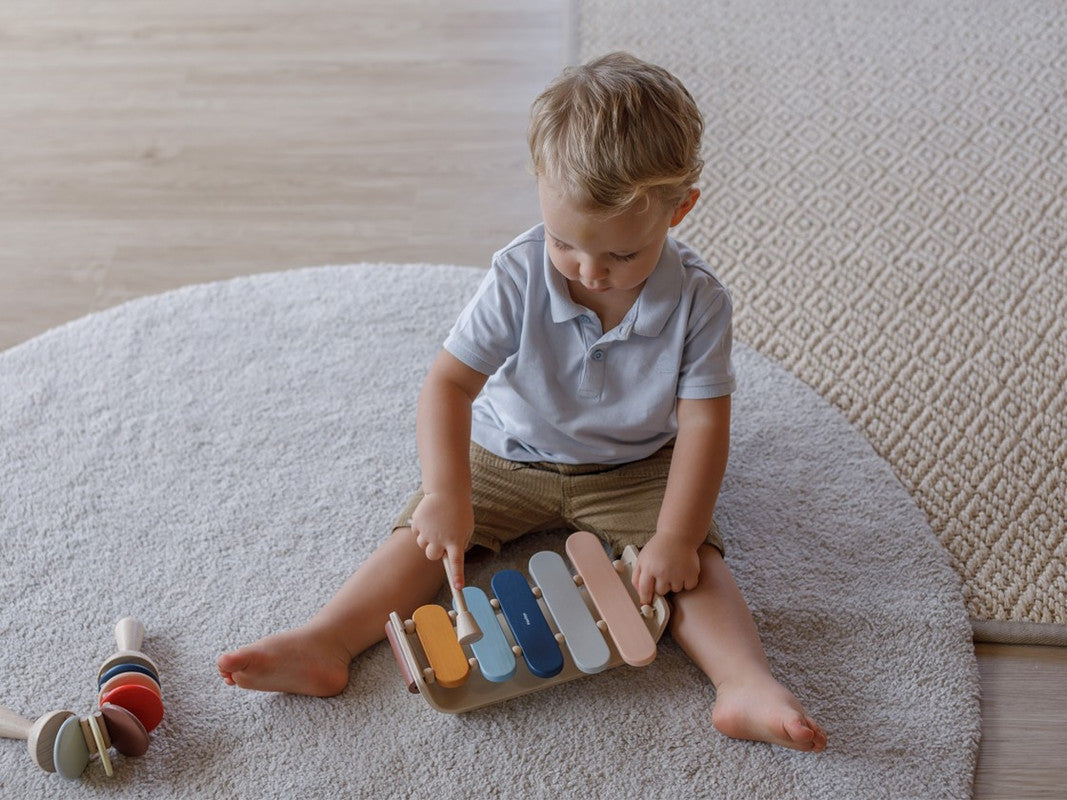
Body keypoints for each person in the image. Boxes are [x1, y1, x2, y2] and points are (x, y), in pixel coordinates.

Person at [218, 52, 827, 752]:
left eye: (622, 256)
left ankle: (743, 683)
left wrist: (677, 537)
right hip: (510, 452)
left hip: (634, 467)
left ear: (679, 208)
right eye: (566, 243)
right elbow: (448, 385)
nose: (590, 272)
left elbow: (704, 424)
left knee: (693, 569)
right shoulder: (517, 274)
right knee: (422, 538)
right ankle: (325, 641)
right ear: (539, 187)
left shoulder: (699, 301)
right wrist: (446, 493)